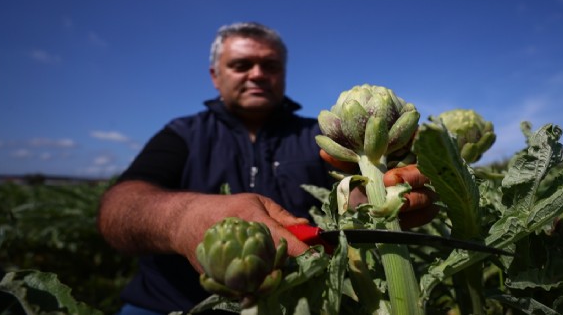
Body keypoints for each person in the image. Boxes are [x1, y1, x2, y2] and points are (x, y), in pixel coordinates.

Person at [97, 22, 437, 315]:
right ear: (216, 76)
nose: (257, 74)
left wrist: (377, 200)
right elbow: (117, 208)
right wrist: (182, 218)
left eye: (270, 65)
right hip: (166, 305)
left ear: (283, 75)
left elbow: (351, 201)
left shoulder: (319, 136)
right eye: (242, 64)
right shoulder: (183, 134)